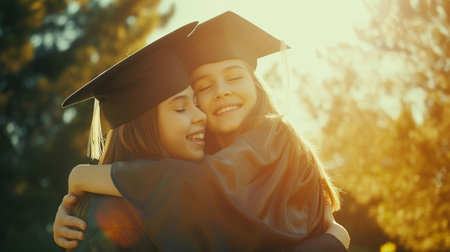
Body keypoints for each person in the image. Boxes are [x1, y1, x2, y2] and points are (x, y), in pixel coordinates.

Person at [55, 11, 350, 251]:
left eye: (235, 77)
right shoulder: (204, 154)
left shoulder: (276, 137)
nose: (221, 92)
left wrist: (86, 176)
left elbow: (200, 186)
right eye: (203, 88)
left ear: (256, 85)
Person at [53, 21, 207, 251]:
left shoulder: (193, 181)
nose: (201, 116)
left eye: (196, 102)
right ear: (141, 126)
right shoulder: (115, 219)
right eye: (180, 108)